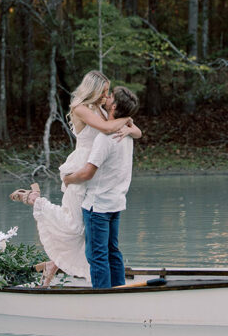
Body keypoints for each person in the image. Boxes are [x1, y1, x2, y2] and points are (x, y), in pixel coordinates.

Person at [9, 71, 140, 285]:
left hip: (99, 170)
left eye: (108, 93)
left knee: (85, 231)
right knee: (75, 227)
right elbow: (109, 128)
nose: (106, 96)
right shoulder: (81, 108)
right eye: (103, 91)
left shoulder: (103, 108)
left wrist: (129, 127)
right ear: (93, 89)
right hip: (82, 168)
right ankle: (35, 200)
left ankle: (54, 263)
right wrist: (127, 120)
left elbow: (137, 131)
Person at [63, 86, 140, 289]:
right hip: (116, 203)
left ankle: (103, 297)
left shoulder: (105, 139)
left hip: (97, 206)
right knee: (112, 251)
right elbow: (135, 129)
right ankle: (118, 290)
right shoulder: (128, 135)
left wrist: (69, 179)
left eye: (110, 96)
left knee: (96, 255)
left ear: (113, 106)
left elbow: (88, 173)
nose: (106, 97)